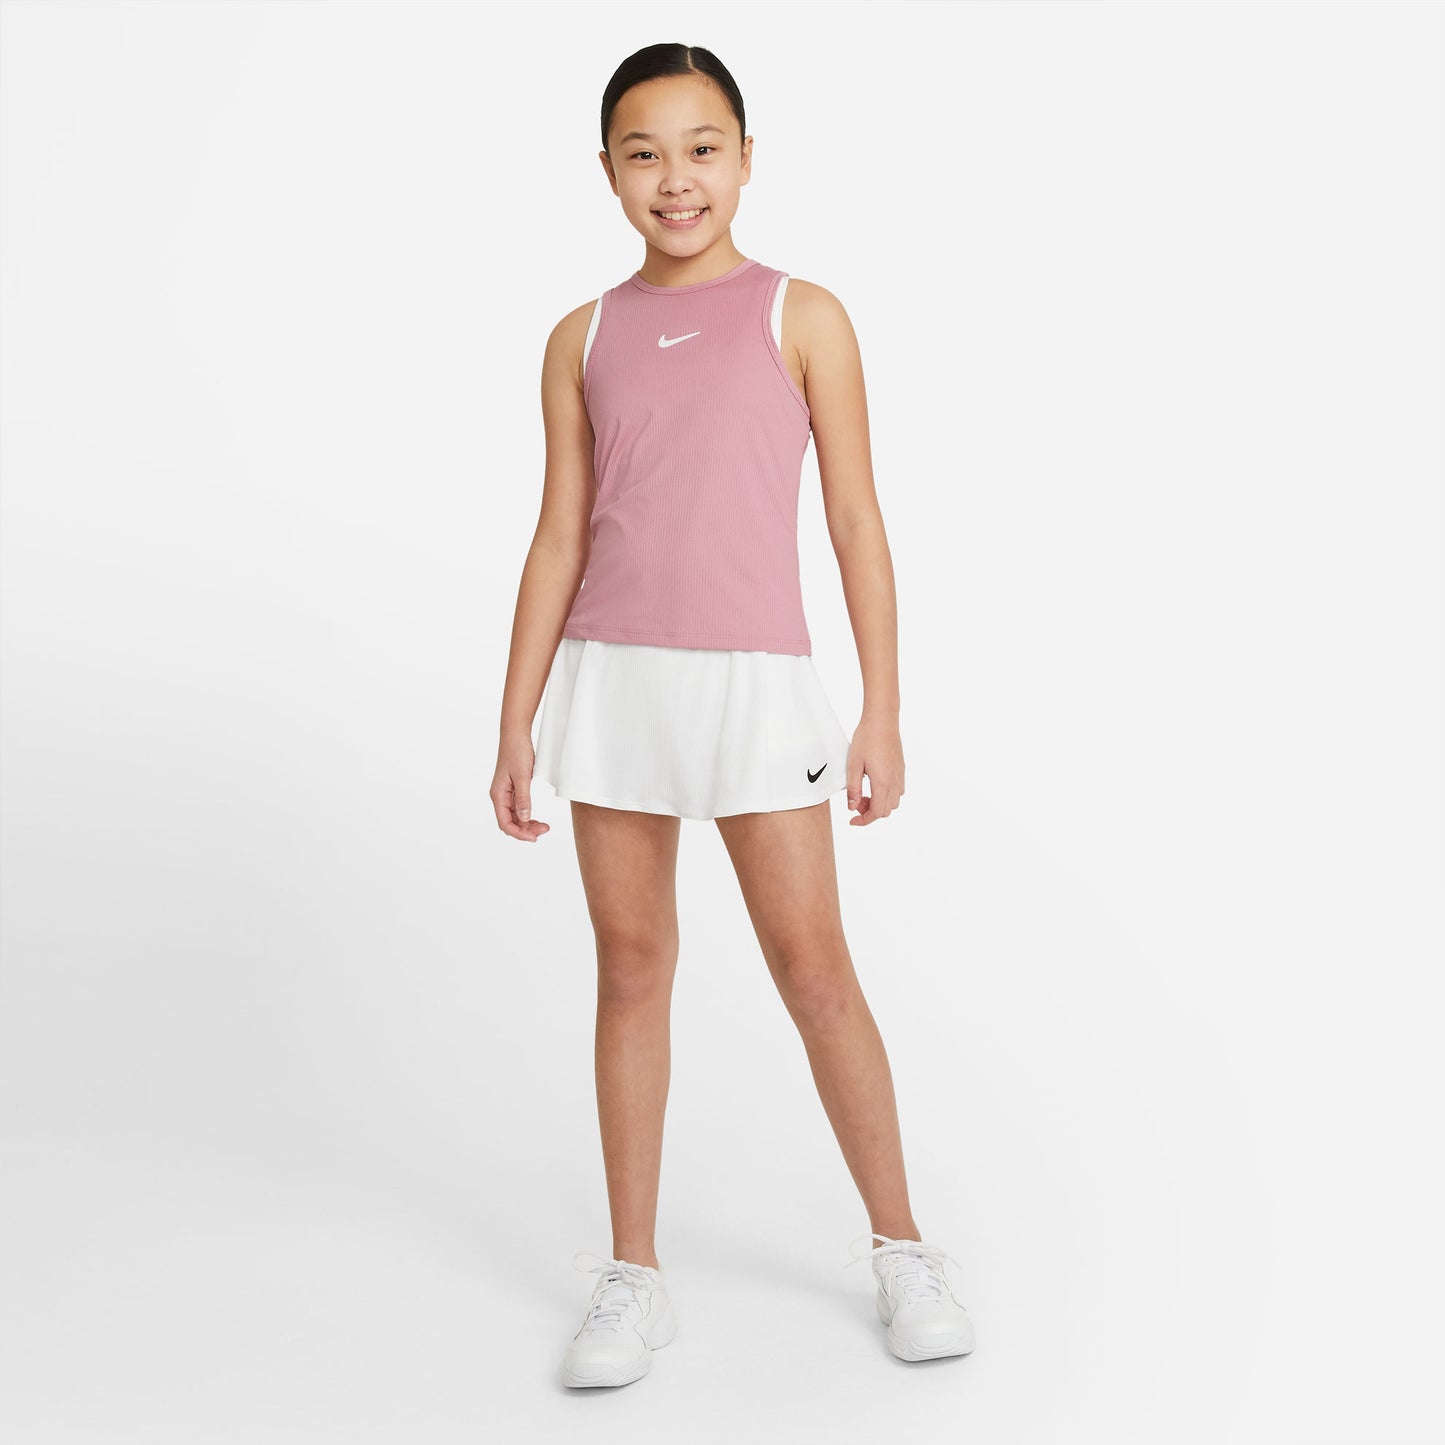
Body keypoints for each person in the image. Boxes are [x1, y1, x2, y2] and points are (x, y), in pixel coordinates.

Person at [491, 42, 976, 1389]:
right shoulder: (580, 336)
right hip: (613, 681)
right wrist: (515, 718)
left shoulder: (802, 316)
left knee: (812, 965)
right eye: (643, 153)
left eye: (701, 148)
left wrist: (881, 708)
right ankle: (632, 1274)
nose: (675, 178)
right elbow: (557, 535)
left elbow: (856, 519)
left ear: (746, 159)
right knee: (631, 965)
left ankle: (902, 1244)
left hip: (758, 685)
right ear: (606, 172)